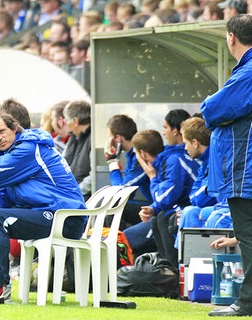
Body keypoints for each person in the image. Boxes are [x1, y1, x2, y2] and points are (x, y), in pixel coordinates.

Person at [0, 111, 85, 304]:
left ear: (14, 129)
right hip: (45, 214)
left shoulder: (27, 149)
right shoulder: (12, 154)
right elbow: (3, 194)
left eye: (1, 131)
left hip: (65, 218)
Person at [201, 14, 252, 317]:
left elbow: (214, 108)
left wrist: (214, 109)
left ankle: (246, 303)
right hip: (243, 171)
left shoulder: (247, 74)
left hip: (245, 171)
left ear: (231, 38)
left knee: (248, 237)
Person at [122, 129, 198, 266]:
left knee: (162, 218)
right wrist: (153, 208)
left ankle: (173, 268)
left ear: (143, 154)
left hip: (193, 207)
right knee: (158, 217)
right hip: (180, 206)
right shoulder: (165, 160)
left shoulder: (172, 161)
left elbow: (164, 198)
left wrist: (152, 177)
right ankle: (166, 267)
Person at [105, 114, 151, 230]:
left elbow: (121, 191)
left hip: (155, 207)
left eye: (110, 138)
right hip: (150, 204)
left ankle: (116, 245)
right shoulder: (130, 154)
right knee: (113, 203)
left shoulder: (140, 156)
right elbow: (127, 194)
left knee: (114, 205)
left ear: (119, 138)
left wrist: (112, 162)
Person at [63, 100, 92, 198]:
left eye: (67, 120)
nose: (66, 124)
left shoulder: (93, 139)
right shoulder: (73, 137)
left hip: (83, 197)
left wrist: (74, 192)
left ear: (75, 121)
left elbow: (93, 177)